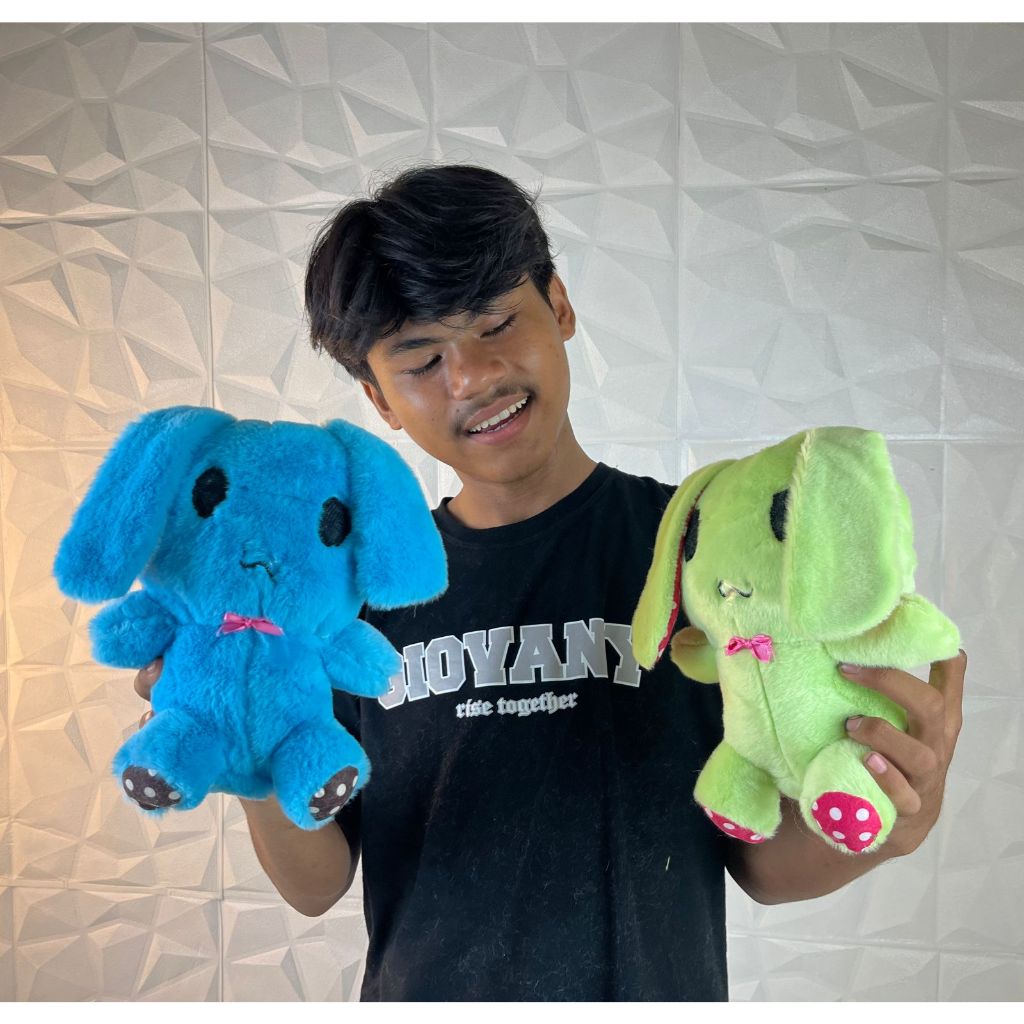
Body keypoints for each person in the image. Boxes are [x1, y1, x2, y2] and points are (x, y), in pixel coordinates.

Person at [133, 164, 968, 1002]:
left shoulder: (702, 552)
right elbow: (317, 884)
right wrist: (252, 758)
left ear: (559, 306)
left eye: (496, 323)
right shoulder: (347, 596)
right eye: (421, 360)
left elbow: (760, 867)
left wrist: (899, 817)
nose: (472, 376)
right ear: (379, 399)